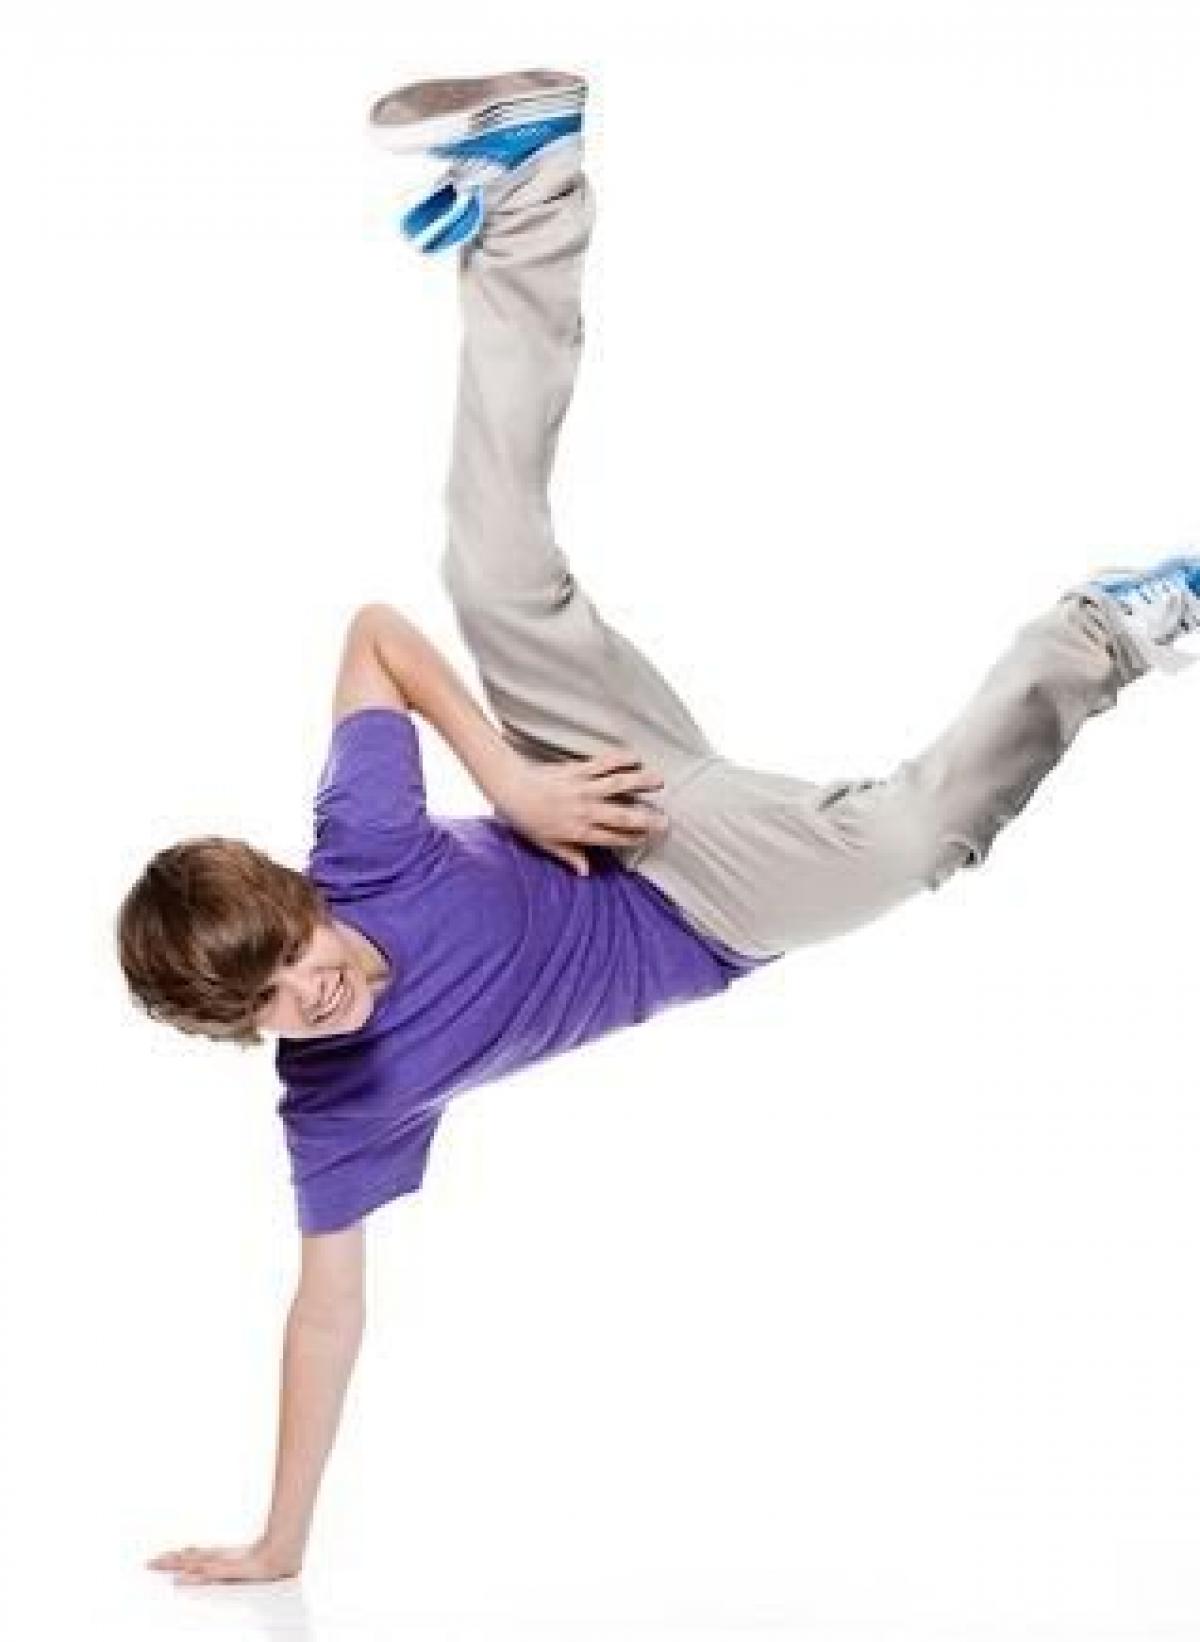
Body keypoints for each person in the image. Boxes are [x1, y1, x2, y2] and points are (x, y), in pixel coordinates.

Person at [125, 70, 1200, 1585]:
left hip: (600, 784)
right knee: (906, 844)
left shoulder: (357, 853)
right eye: (284, 1004)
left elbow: (377, 633)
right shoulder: (339, 1108)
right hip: (706, 906)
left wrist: (510, 783)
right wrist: (279, 1539)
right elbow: (326, 1311)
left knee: (493, 570)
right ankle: (1103, 631)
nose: (326, 985)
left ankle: (530, 187)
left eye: (308, 949)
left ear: (303, 894)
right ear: (248, 1031)